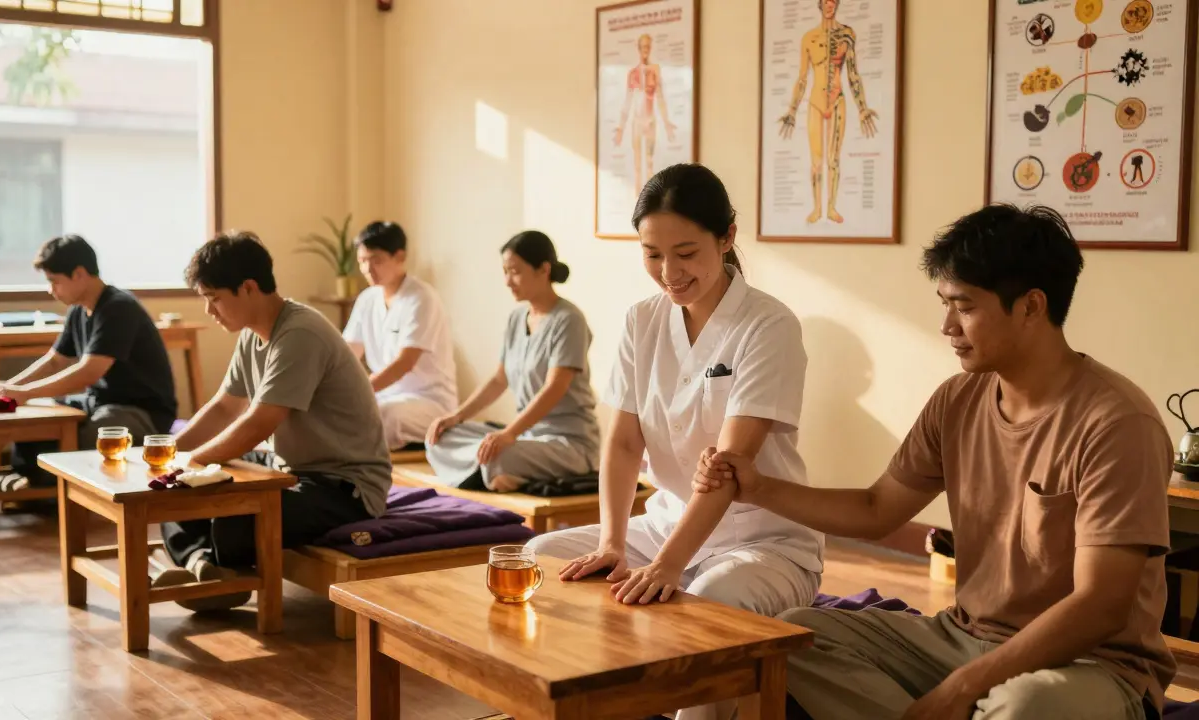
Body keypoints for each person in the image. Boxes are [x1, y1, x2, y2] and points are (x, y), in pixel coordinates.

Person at [695, 204, 1174, 720]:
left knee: (1024, 705)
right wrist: (758, 487)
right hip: (962, 637)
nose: (947, 325)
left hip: (1090, 665)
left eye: (964, 307)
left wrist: (964, 685)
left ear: (1032, 307)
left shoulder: (1118, 424)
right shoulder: (957, 399)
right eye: (944, 304)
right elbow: (878, 509)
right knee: (793, 638)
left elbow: (1101, 606)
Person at [529, 164, 824, 720]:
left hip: (762, 543)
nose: (670, 272)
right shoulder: (643, 321)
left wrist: (667, 567)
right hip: (665, 524)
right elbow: (621, 445)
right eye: (652, 254)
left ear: (728, 236)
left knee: (709, 603)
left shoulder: (768, 326)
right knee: (542, 557)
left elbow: (731, 467)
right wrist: (614, 543)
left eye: (686, 253)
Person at [154, 230, 391, 611]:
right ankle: (209, 570)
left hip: (343, 486)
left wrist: (191, 462)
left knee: (227, 516)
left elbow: (257, 424)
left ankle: (207, 567)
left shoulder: (300, 333)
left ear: (248, 288)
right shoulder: (252, 334)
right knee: (170, 499)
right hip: (291, 471)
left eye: (214, 298)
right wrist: (169, 454)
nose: (209, 311)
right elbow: (224, 407)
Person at [0, 235, 177, 493]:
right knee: (37, 417)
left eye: (54, 281)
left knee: (88, 437)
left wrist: (25, 393)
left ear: (79, 274)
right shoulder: (78, 309)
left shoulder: (119, 307)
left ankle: (48, 492)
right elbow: (55, 360)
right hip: (98, 402)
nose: (51, 290)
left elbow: (88, 372)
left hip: (140, 411)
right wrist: (10, 386)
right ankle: (34, 483)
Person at [425, 231, 599, 492]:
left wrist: (509, 434)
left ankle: (496, 473)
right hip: (527, 436)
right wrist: (456, 416)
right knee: (439, 439)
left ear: (543, 269)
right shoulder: (517, 318)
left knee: (499, 454)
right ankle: (497, 476)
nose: (507, 281)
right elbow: (498, 379)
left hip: (568, 443)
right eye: (505, 271)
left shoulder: (569, 320)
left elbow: (554, 388)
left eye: (515, 271)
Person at [343, 221, 458, 450]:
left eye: (376, 260)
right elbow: (347, 353)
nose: (367, 269)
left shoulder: (421, 298)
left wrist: (360, 391)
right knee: (342, 414)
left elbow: (405, 363)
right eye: (362, 261)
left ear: (400, 256)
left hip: (428, 401)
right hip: (385, 395)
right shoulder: (367, 299)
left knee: (385, 416)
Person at [777, 0, 879, 225]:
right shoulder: (809, 38)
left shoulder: (847, 34)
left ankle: (831, 208)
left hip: (837, 101)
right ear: (820, 4)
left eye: (834, 0)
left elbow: (853, 73)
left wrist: (862, 108)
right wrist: (792, 110)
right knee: (816, 161)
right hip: (814, 102)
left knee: (833, 160)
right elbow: (802, 78)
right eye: (826, 1)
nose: (830, 4)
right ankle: (817, 208)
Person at [613, 32, 678, 199]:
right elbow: (627, 101)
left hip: (650, 121)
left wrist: (667, 123)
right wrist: (621, 128)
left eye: (648, 47)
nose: (645, 50)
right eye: (643, 47)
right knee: (637, 165)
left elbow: (661, 98)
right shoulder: (633, 73)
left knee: (649, 164)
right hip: (637, 121)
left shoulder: (654, 71)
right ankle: (637, 201)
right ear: (638, 48)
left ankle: (649, 201)